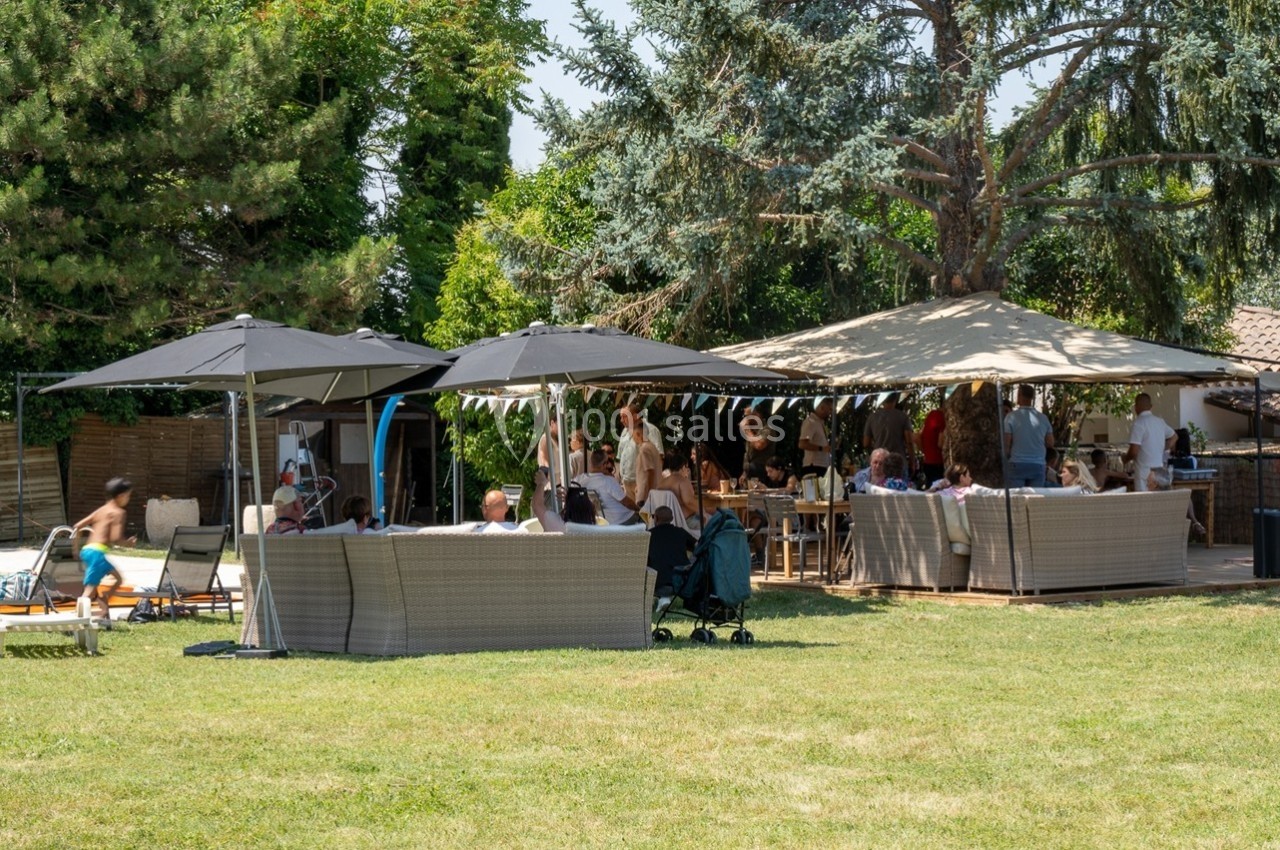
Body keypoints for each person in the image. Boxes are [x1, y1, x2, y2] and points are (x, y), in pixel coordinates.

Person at [73, 477, 135, 620]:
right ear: (121, 496)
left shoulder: (102, 510)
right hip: (97, 553)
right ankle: (75, 620)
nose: (128, 499)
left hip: (88, 550)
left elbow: (77, 526)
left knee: (118, 579)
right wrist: (128, 543)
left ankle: (104, 601)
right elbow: (115, 538)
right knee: (89, 590)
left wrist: (75, 550)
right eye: (128, 496)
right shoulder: (118, 512)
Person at [647, 505, 697, 613]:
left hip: (657, 583)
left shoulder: (649, 535)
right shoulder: (680, 532)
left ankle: (663, 597)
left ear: (655, 518)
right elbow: (697, 547)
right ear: (672, 519)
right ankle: (665, 598)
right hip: (681, 582)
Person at [1003, 384, 1054, 487]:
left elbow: (1006, 444)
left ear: (1019, 395)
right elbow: (1050, 443)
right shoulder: (1043, 418)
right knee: (1035, 500)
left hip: (1017, 463)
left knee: (1016, 499)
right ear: (1032, 397)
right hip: (1038, 464)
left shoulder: (1011, 417)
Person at [573, 448, 641, 525]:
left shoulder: (579, 479)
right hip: (622, 519)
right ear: (604, 464)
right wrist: (638, 509)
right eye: (607, 462)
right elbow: (626, 503)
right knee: (646, 520)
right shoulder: (608, 481)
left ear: (590, 462)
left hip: (602, 521)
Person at [1125, 392, 1176, 491]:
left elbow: (1134, 451)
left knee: (1144, 503)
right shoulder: (1160, 422)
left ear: (1135, 407)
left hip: (1144, 472)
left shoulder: (1138, 424)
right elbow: (1174, 437)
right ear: (1151, 407)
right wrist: (1162, 448)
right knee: (1158, 502)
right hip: (1159, 472)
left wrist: (1125, 459)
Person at [617, 402, 664, 501]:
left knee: (644, 512)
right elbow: (620, 457)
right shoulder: (624, 432)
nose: (621, 420)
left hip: (642, 483)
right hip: (626, 482)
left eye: (625, 416)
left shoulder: (650, 429)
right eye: (621, 417)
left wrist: (649, 485)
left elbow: (659, 457)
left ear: (635, 416)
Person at [532, 469, 599, 532]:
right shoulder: (594, 528)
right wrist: (572, 500)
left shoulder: (559, 526)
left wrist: (541, 483)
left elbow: (537, 505)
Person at [1146, 467, 1206, 535]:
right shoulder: (1177, 500)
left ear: (1155, 484)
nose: (1146, 485)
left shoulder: (1148, 502)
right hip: (1174, 537)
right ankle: (1195, 522)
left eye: (1148, 482)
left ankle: (1195, 522)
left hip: (1152, 536)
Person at [654, 451, 704, 527]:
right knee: (714, 522)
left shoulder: (660, 484)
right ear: (683, 467)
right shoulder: (683, 482)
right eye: (687, 467)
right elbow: (688, 502)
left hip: (666, 522)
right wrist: (704, 513)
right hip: (686, 522)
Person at [863, 393, 914, 460]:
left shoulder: (872, 417)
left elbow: (866, 443)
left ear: (883, 400)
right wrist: (912, 460)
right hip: (898, 460)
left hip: (879, 460)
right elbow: (909, 441)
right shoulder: (903, 416)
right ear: (895, 400)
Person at [631, 420, 664, 508]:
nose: (633, 438)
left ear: (638, 434)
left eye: (633, 435)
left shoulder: (644, 449)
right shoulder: (652, 447)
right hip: (653, 492)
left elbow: (650, 471)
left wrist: (649, 494)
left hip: (645, 495)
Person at [798, 398, 833, 477]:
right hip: (813, 466)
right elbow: (802, 444)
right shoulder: (810, 422)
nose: (830, 413)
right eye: (829, 409)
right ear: (822, 407)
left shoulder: (819, 423)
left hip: (821, 465)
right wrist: (821, 448)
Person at [739, 405, 776, 478]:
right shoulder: (752, 431)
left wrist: (747, 430)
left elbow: (759, 445)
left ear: (757, 415)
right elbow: (749, 455)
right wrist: (745, 473)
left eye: (747, 416)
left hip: (763, 471)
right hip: (750, 471)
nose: (745, 419)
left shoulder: (768, 429)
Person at [917, 405, 946, 484]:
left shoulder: (931, 415)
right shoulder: (942, 418)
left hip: (928, 462)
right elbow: (940, 444)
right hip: (938, 462)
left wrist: (924, 451)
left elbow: (918, 436)